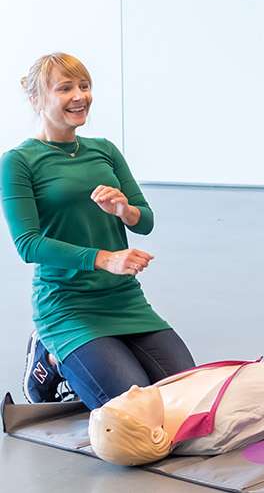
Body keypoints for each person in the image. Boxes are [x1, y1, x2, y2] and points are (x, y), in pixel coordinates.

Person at [3, 53, 196, 408]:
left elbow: (146, 221)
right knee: (135, 410)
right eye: (65, 88)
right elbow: (28, 244)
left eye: (84, 86)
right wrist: (105, 259)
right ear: (35, 98)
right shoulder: (19, 161)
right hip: (67, 306)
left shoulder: (104, 150)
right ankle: (51, 358)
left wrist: (124, 210)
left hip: (123, 299)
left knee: (188, 398)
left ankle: (80, 358)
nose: (80, 96)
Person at [88, 360, 264, 466]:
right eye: (131, 401)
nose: (133, 389)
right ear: (155, 434)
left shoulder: (161, 399)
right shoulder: (219, 425)